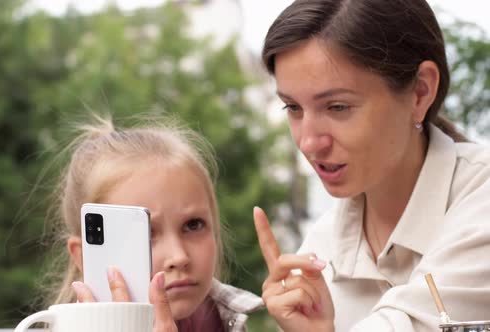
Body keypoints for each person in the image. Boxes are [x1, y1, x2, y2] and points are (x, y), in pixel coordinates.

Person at [252, 0, 490, 331]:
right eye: (292, 107)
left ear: (420, 92)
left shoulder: (482, 201)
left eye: (337, 107)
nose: (308, 142)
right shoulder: (318, 254)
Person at [42, 114, 263, 332]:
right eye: (144, 235)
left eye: (193, 225)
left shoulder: (228, 321)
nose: (179, 257)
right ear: (85, 257)